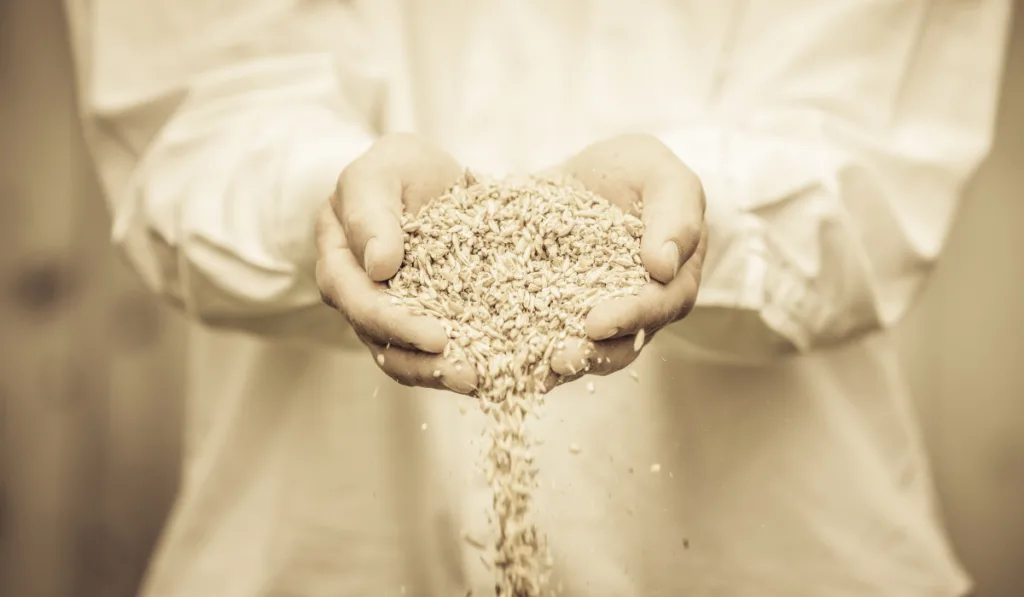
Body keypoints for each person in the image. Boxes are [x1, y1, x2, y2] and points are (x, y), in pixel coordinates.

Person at [64, 1, 1012, 596]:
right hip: (323, 544)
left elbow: (873, 161)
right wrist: (330, 200)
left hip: (771, 550)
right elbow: (195, 122)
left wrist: (697, 217)